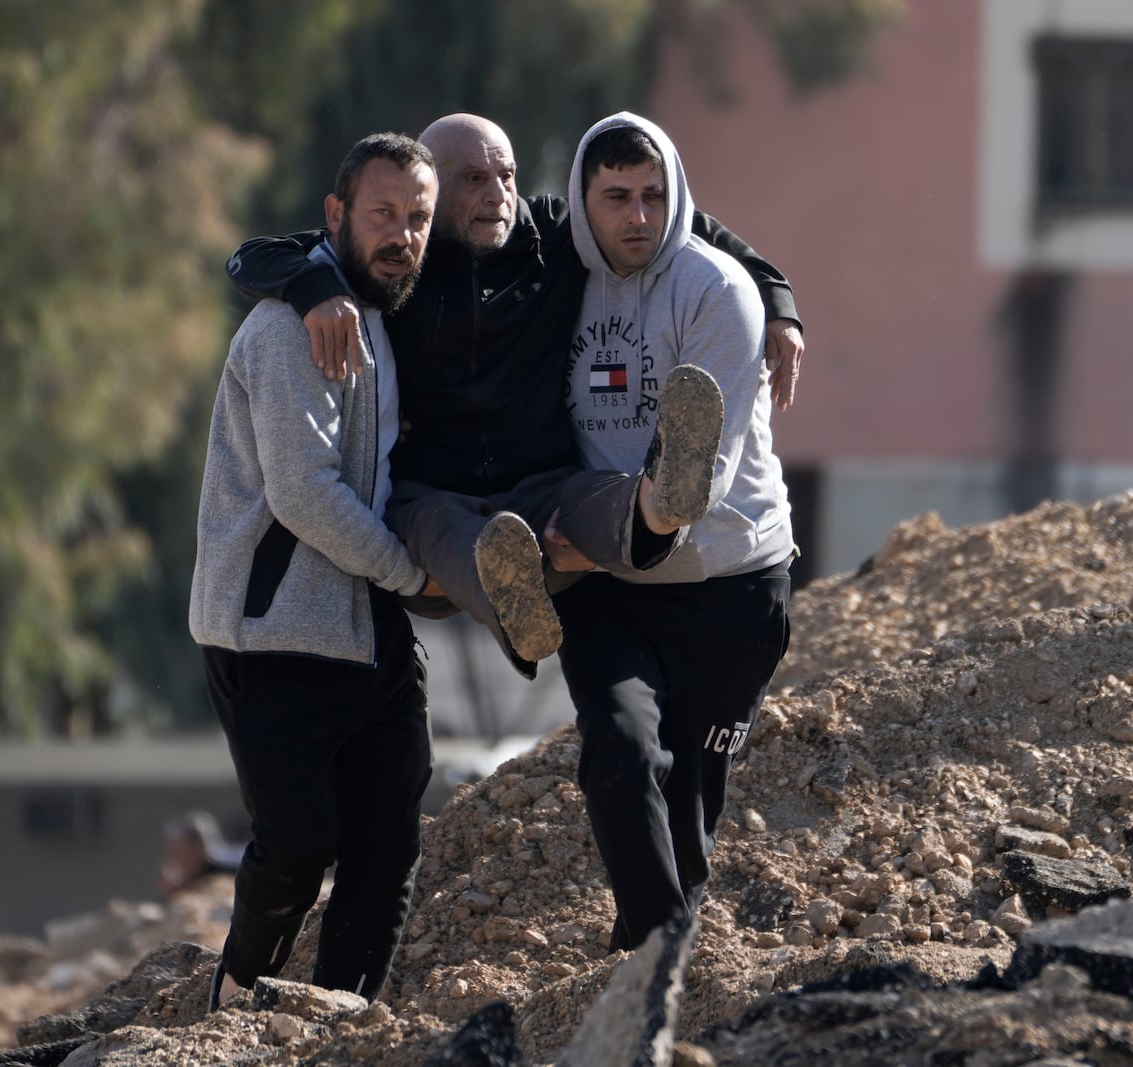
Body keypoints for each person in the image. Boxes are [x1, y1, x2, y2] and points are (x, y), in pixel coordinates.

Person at [226, 113, 804, 677]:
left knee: (597, 496)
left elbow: (672, 215)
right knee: (437, 524)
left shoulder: (553, 237)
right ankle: (516, 606)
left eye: (507, 175)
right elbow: (257, 255)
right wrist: (312, 287)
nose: (498, 194)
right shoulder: (399, 257)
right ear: (431, 191)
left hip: (544, 483)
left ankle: (660, 506)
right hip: (434, 491)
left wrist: (775, 299)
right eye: (474, 179)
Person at [188, 132, 440, 1010]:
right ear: (336, 216)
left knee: (389, 845)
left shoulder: (385, 314)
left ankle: (339, 1019)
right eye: (383, 214)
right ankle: (231, 1007)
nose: (401, 234)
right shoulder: (291, 327)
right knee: (295, 845)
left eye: (417, 218)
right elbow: (304, 495)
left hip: (369, 631)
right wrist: (414, 575)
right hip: (274, 636)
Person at [542, 111, 796, 953]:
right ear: (582, 202)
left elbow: (713, 466)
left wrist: (782, 302)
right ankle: (658, 953)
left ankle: (646, 956)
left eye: (653, 195)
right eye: (616, 197)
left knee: (689, 801)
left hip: (730, 578)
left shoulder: (719, 288)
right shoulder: (554, 280)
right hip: (608, 585)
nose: (638, 216)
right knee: (617, 752)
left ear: (677, 194)